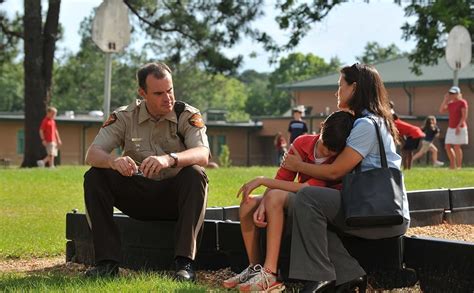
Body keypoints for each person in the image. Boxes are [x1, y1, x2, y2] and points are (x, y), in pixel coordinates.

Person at [281, 63, 410, 292]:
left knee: (308, 199)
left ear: (354, 88)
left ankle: (320, 277)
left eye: (340, 85)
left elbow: (334, 171)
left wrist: (298, 165)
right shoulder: (376, 120)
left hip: (378, 214)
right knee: (305, 208)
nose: (337, 91)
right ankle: (349, 274)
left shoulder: (366, 125)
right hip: (381, 209)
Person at [83, 62, 210, 281]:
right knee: (94, 176)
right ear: (142, 93)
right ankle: (106, 264)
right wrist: (114, 162)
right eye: (159, 93)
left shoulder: (187, 115)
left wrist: (170, 159)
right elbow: (92, 154)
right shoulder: (125, 116)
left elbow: (203, 154)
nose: (167, 98)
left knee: (195, 174)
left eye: (170, 90)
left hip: (174, 198)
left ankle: (184, 264)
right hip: (138, 193)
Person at [223, 111, 355, 292]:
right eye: (325, 145)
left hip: (315, 203)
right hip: (297, 197)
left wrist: (263, 180)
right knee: (248, 203)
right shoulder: (302, 143)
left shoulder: (337, 161)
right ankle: (255, 268)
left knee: (275, 196)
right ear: (321, 127)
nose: (326, 151)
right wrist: (262, 204)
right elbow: (283, 177)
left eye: (332, 150)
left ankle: (270, 273)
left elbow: (306, 188)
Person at [439, 86, 469, 169]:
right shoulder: (450, 103)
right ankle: (452, 165)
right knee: (447, 146)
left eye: (453, 93)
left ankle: (459, 166)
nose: (451, 94)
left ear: (458, 94)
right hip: (451, 128)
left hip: (460, 127)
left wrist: (458, 126)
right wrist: (445, 99)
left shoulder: (463, 102)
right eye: (450, 93)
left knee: (456, 146)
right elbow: (441, 110)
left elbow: (464, 116)